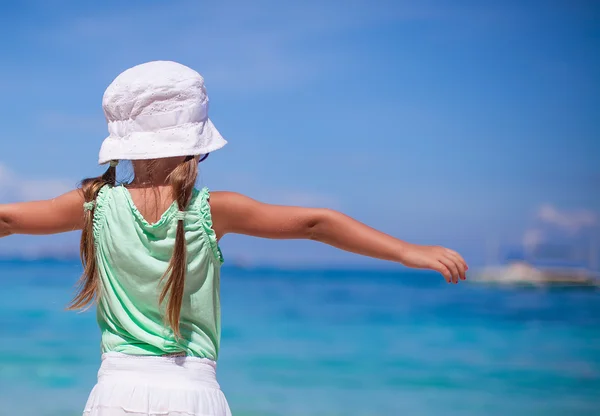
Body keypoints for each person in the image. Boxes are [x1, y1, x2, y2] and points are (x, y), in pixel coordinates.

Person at [0, 61, 467, 416]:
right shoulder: (211, 208)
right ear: (196, 141)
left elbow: (9, 220)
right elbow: (316, 223)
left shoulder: (94, 203)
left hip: (114, 391)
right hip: (194, 392)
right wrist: (408, 251)